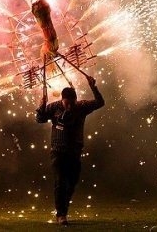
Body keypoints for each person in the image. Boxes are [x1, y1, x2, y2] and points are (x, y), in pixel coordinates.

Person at [36, 74, 105, 225]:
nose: (69, 107)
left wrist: (93, 86)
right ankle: (61, 215)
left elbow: (100, 102)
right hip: (58, 152)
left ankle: (63, 209)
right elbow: (40, 119)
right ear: (62, 99)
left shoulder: (81, 106)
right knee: (60, 182)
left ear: (75, 100)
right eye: (67, 103)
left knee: (71, 183)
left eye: (72, 103)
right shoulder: (54, 107)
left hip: (74, 152)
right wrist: (41, 106)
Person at [31, 0, 59, 64]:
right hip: (46, 25)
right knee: (43, 17)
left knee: (42, 17)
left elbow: (41, 8)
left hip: (46, 25)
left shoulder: (53, 47)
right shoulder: (52, 47)